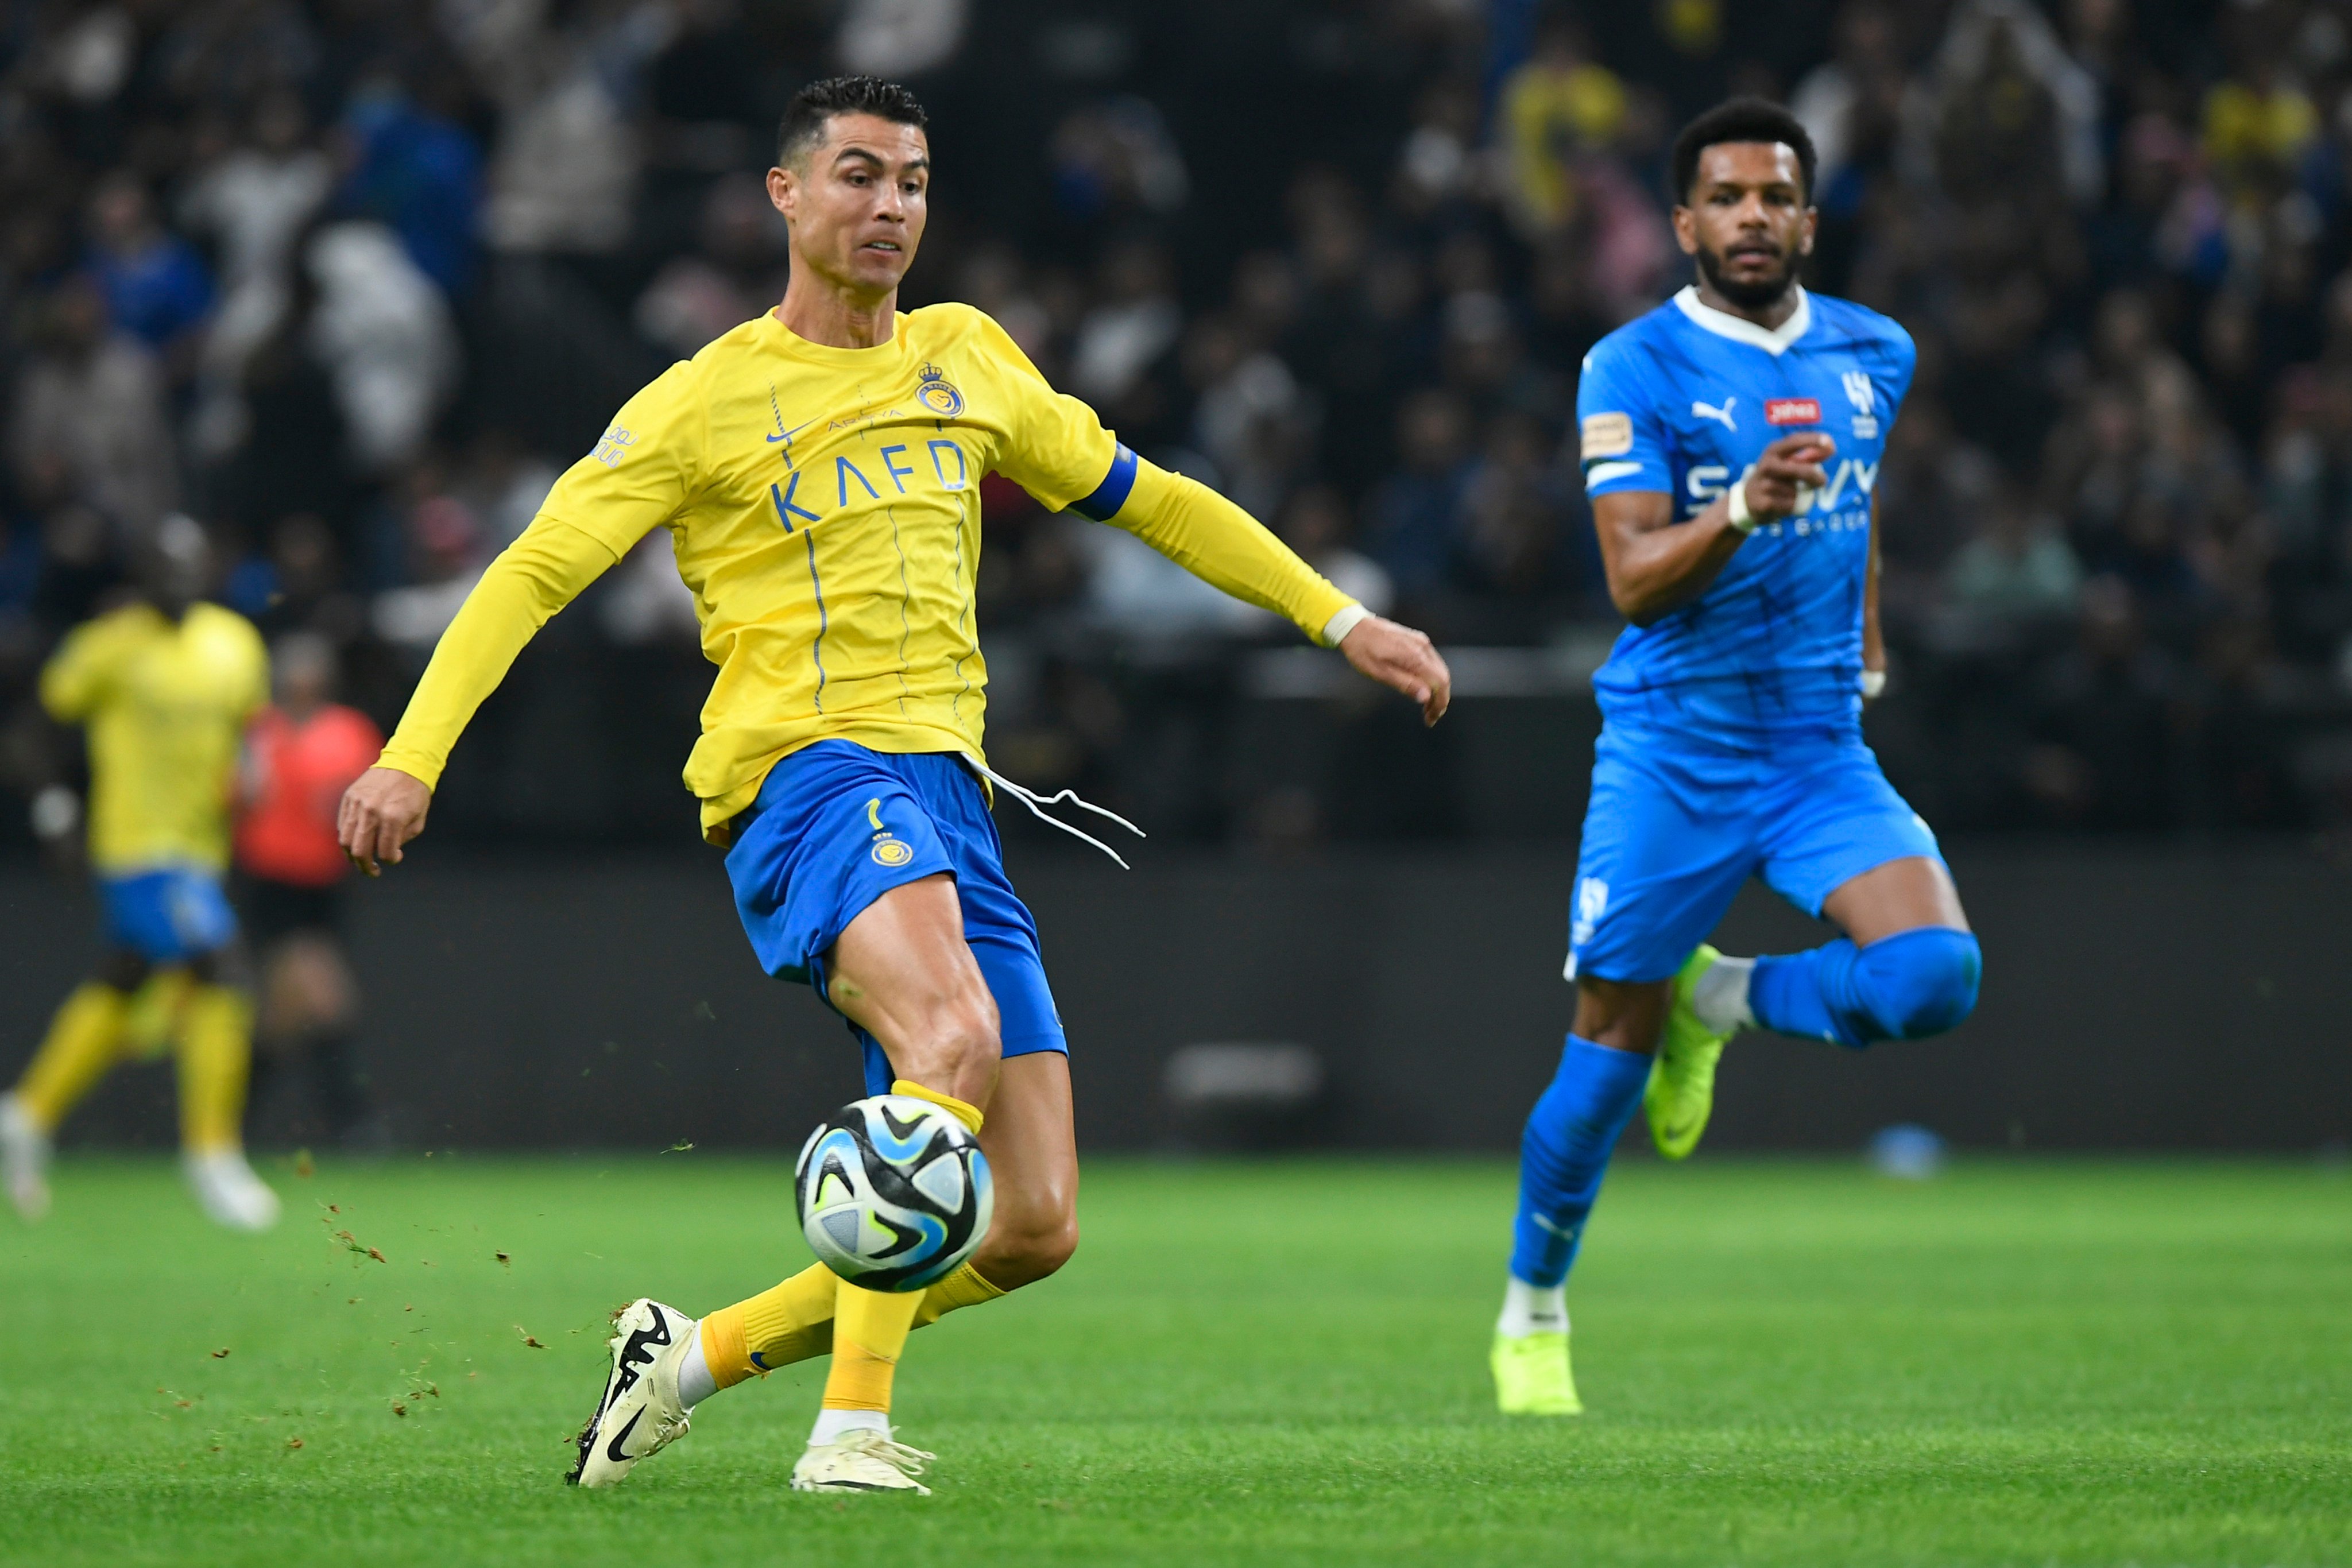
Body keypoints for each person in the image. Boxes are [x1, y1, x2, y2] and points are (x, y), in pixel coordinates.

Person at [335, 75, 1452, 1495]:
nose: (889, 207)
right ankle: (849, 1434)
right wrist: (410, 752)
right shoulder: (706, 398)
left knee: (1033, 1223)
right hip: (807, 777)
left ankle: (682, 1359)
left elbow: (1152, 495)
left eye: (913, 182)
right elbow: (536, 569)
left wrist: (1338, 617)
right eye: (858, 175)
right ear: (785, 197)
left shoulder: (969, 358)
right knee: (953, 1036)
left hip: (950, 796)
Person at [1490, 100, 1983, 1417]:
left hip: (1818, 742)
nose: (1752, 217)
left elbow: (1859, 506)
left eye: (1775, 197)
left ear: (1808, 222)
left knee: (1935, 974)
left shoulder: (1876, 350)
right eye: (1726, 197)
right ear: (1684, 224)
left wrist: (1867, 641)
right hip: (1675, 746)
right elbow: (1631, 577)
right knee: (1598, 1065)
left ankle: (1724, 1002)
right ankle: (1533, 1309)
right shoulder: (1631, 366)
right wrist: (1739, 506)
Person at [0, 518, 279, 1231]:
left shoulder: (233, 642)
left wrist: (253, 767)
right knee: (224, 970)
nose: (179, 582)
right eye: (164, 568)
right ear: (141, 574)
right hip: (136, 848)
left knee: (124, 980)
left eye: (190, 568)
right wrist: (55, 808)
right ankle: (212, 1152)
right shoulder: (109, 645)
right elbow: (31, 731)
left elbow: (249, 729)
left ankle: (26, 1113)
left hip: (200, 849)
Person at [235, 633, 385, 1148]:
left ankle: (230, 1128)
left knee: (281, 1017)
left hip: (324, 885)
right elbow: (237, 797)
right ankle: (356, 1124)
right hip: (273, 883)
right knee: (326, 999)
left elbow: (363, 796)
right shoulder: (259, 732)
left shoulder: (349, 731)